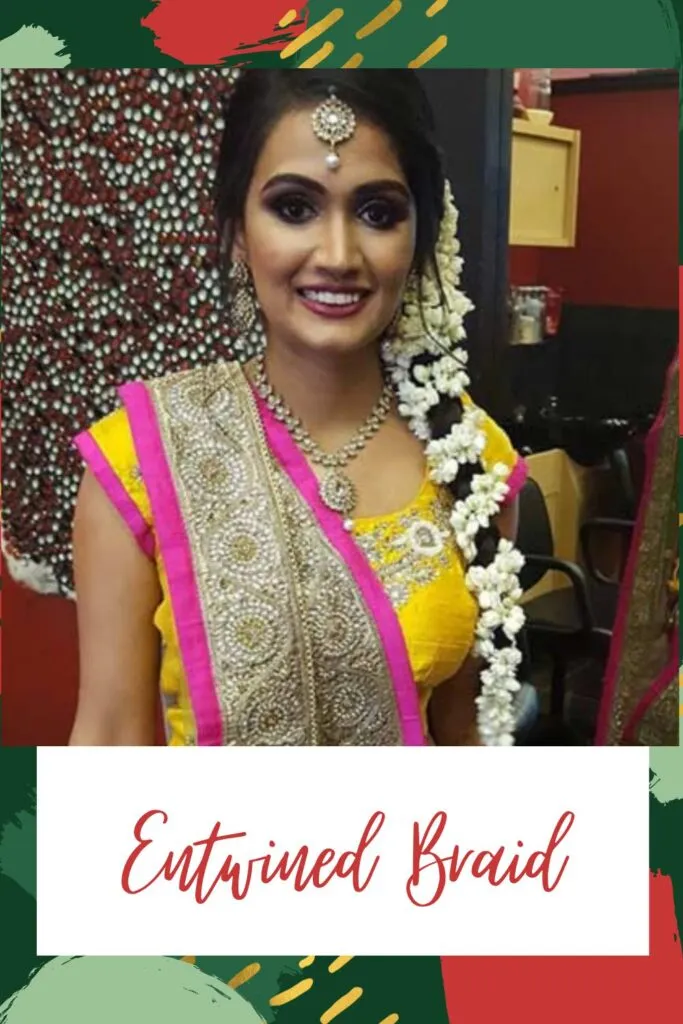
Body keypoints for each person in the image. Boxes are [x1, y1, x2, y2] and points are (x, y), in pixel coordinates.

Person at [70, 69, 528, 748]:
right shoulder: (143, 459)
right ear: (235, 231)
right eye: (293, 207)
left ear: (421, 235)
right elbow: (109, 738)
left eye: (377, 213)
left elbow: (465, 740)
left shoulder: (473, 461)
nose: (338, 255)